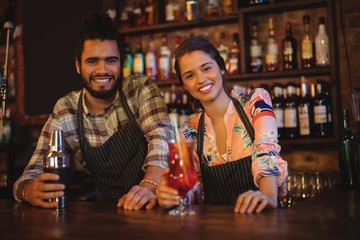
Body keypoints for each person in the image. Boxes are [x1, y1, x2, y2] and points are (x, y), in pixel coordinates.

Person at [13, 11, 173, 210]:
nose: (102, 70)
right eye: (92, 61)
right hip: (104, 214)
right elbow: (32, 171)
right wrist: (28, 190)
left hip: (152, 207)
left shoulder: (141, 90)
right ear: (78, 65)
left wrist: (149, 186)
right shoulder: (67, 109)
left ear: (120, 63)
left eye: (111, 60)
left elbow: (162, 140)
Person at [157, 37, 288, 213]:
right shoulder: (190, 128)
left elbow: (266, 153)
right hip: (213, 227)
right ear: (184, 85)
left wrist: (267, 197)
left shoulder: (255, 102)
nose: (201, 79)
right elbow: (192, 188)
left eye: (206, 68)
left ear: (222, 68)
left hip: (260, 219)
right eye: (190, 75)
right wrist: (172, 195)